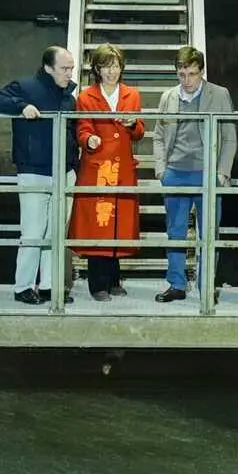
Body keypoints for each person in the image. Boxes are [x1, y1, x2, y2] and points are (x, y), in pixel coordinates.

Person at [0, 45, 79, 305]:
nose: (69, 73)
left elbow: (73, 132)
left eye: (71, 68)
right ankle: (23, 286)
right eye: (64, 68)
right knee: (33, 231)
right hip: (35, 171)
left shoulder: (69, 98)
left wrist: (74, 166)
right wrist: (21, 105)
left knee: (55, 232)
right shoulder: (25, 87)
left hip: (64, 172)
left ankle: (48, 286)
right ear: (48, 68)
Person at [150, 46, 237, 303]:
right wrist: (161, 170)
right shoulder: (169, 97)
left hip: (207, 173)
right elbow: (158, 134)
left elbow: (229, 137)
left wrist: (222, 173)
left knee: (208, 233)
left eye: (192, 74)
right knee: (175, 232)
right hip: (175, 172)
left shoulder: (219, 94)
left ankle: (206, 286)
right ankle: (176, 284)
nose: (187, 80)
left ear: (201, 72)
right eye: (182, 74)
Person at [69, 43, 145, 302]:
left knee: (118, 226)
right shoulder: (86, 97)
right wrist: (88, 139)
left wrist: (133, 124)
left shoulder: (132, 95)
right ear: (97, 69)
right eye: (106, 67)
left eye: (116, 66)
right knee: (98, 226)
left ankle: (114, 280)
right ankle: (97, 285)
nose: (112, 72)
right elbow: (82, 127)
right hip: (98, 167)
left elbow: (139, 130)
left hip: (122, 167)